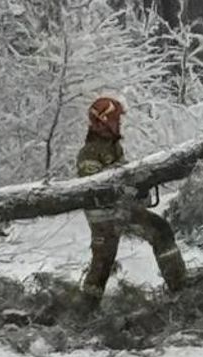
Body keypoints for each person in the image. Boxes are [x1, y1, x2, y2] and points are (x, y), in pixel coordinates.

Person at [76, 95, 187, 307]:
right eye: (115, 119)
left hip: (120, 211)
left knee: (160, 230)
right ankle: (86, 308)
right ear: (103, 122)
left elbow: (123, 176)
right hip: (104, 217)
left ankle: (180, 286)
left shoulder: (113, 147)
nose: (119, 123)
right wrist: (128, 190)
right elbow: (97, 187)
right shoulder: (89, 153)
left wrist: (140, 186)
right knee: (103, 261)